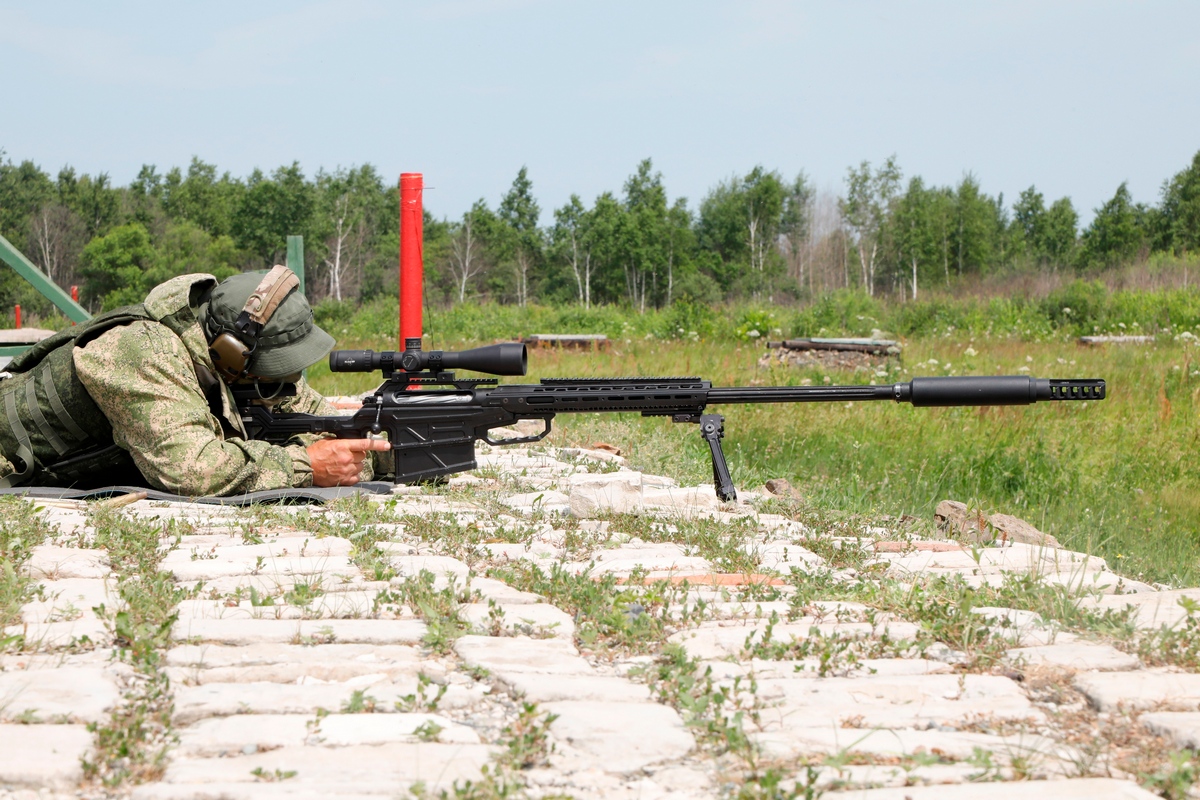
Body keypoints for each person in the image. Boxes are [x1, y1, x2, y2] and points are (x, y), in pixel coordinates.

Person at [0, 266, 388, 495]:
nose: (285, 376)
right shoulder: (141, 351)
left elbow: (314, 418)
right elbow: (193, 470)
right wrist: (306, 465)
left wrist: (381, 444)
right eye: (275, 364)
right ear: (231, 350)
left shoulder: (241, 363)